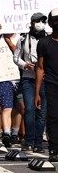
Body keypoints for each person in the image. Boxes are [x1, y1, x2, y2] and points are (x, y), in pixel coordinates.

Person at [11, 12, 47, 153]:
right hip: (28, 79)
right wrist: (25, 65)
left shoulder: (48, 39)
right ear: (32, 23)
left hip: (44, 80)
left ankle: (39, 143)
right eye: (38, 21)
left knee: (42, 112)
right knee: (30, 109)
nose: (40, 23)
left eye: (43, 21)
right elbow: (15, 57)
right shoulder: (23, 39)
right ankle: (29, 140)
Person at [35, 8, 58, 162]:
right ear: (50, 23)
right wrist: (37, 92)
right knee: (53, 118)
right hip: (51, 85)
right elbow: (40, 68)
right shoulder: (43, 43)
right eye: (55, 20)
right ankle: (54, 149)